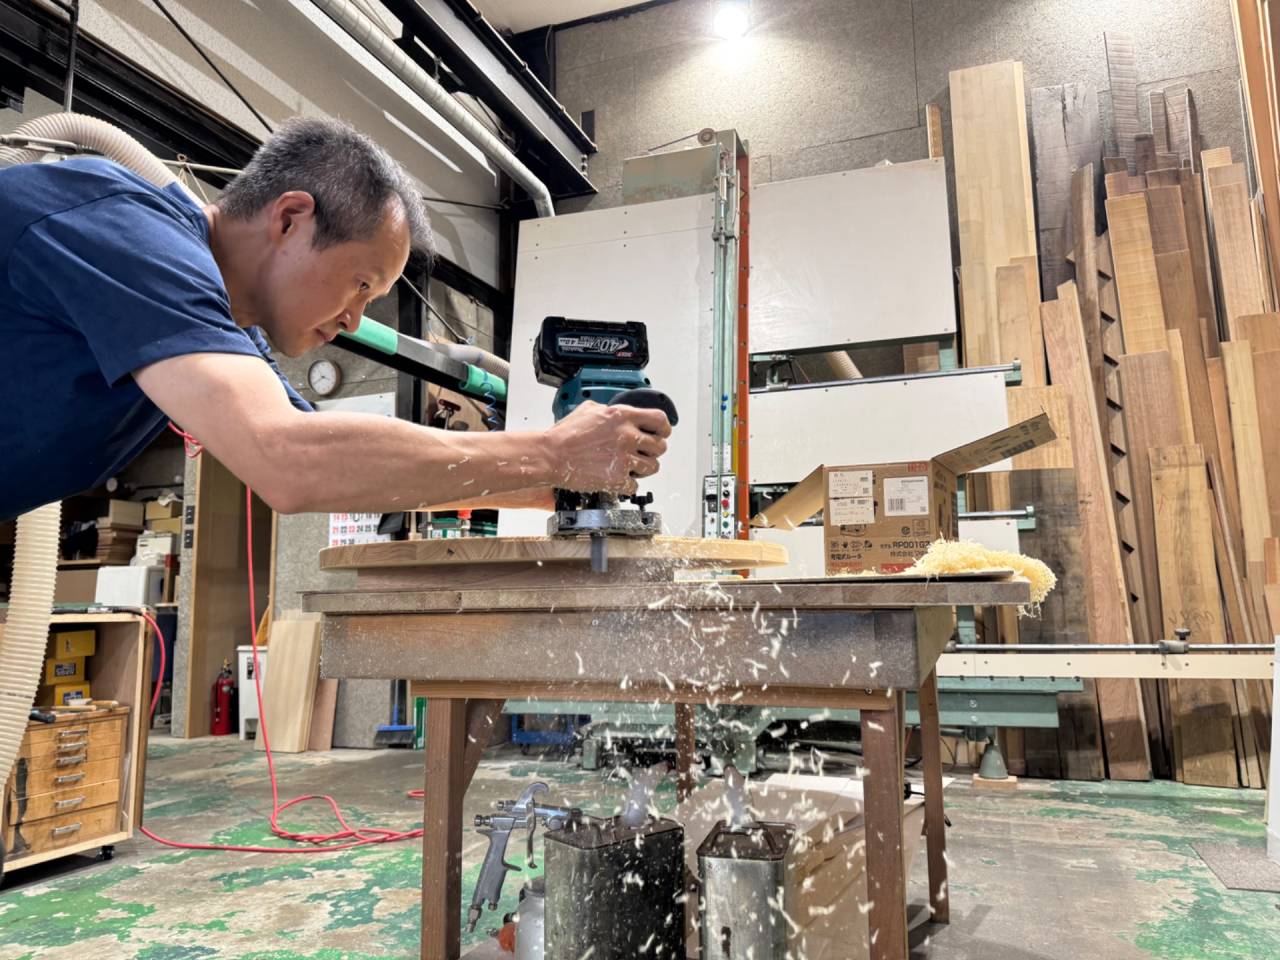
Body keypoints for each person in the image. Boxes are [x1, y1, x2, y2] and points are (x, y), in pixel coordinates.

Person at [0, 117, 670, 521]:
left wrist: (556, 490)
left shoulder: (223, 327)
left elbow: (340, 464)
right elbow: (290, 462)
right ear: (291, 219)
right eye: (361, 284)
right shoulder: (128, 231)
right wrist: (552, 452)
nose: (353, 322)